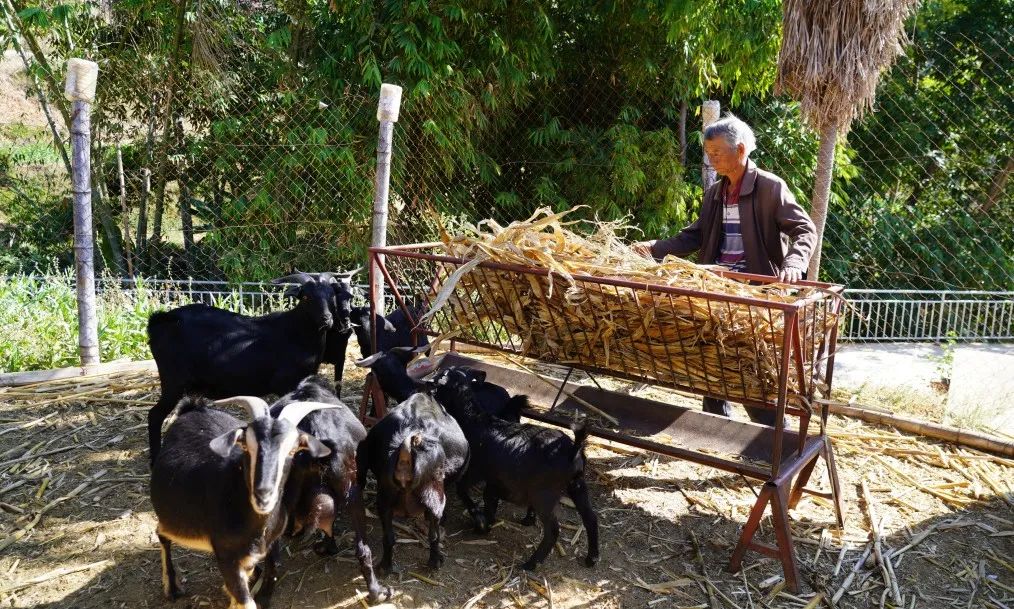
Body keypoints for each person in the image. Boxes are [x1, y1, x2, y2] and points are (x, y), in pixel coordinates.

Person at [633, 114, 817, 426]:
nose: (711, 159)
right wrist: (656, 248)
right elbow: (695, 235)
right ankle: (716, 424)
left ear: (741, 150)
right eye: (708, 153)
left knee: (746, 365)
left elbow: (804, 229)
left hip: (753, 290)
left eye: (717, 152)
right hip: (717, 285)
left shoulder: (771, 188)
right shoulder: (715, 193)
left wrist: (795, 264)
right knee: (711, 354)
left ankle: (774, 433)